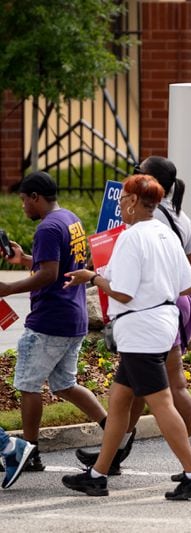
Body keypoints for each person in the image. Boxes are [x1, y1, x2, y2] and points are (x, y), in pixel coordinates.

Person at [61, 174, 191, 500]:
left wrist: (92, 278)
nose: (119, 205)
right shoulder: (166, 234)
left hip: (140, 328)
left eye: (122, 199)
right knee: (119, 400)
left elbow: (124, 293)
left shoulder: (131, 238)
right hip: (159, 324)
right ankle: (98, 474)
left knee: (161, 403)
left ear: (132, 201)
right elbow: (189, 286)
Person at [0, 171, 108, 471]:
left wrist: (8, 288)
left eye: (24, 200)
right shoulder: (69, 218)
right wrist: (24, 260)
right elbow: (63, 264)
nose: (23, 206)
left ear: (36, 197)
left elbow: (48, 274)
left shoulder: (47, 228)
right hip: (73, 317)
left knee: (28, 385)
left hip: (50, 319)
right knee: (64, 385)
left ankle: (29, 453)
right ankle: (115, 432)